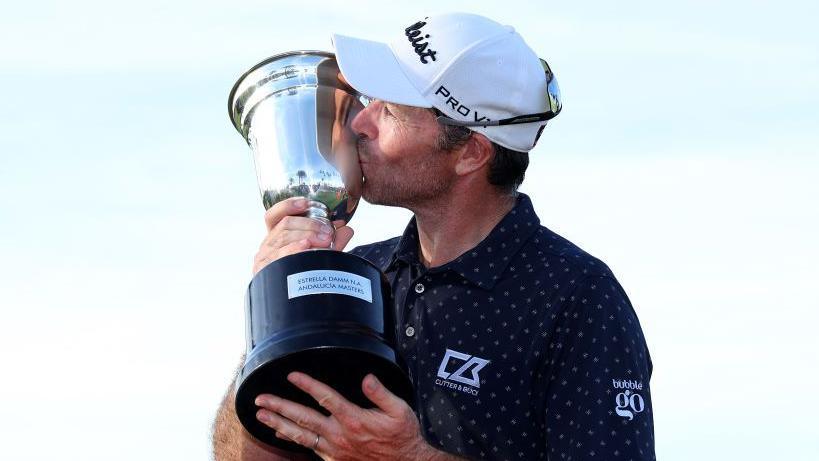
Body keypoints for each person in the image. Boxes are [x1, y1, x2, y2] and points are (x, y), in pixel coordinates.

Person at [213, 12, 656, 461]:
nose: (360, 123)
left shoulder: (578, 298)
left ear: (470, 153)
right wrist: (270, 319)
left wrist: (408, 456)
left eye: (391, 111)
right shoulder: (361, 273)